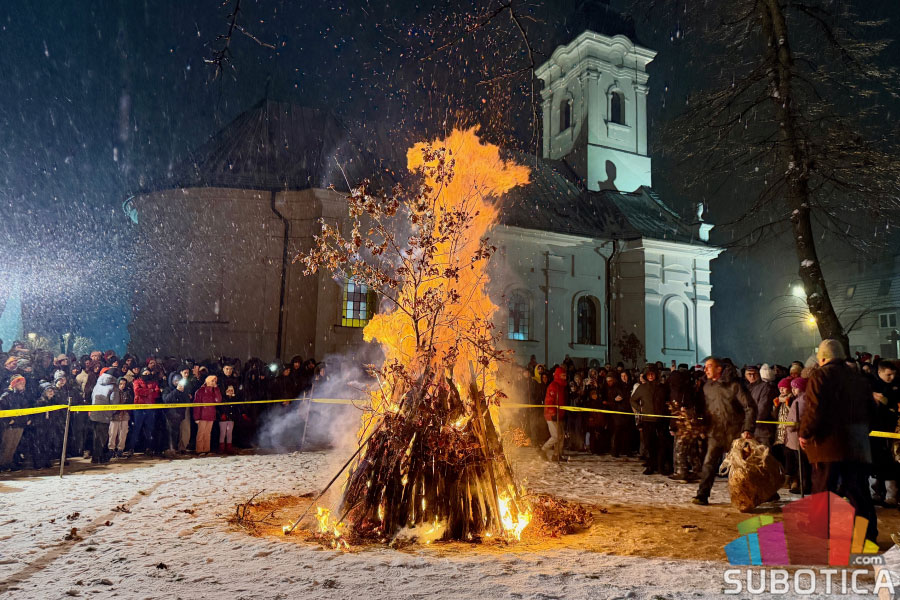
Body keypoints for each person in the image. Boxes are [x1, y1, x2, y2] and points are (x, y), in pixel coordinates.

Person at [799, 339, 877, 541]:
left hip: (827, 445)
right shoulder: (858, 378)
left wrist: (804, 433)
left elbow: (814, 409)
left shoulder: (820, 376)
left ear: (822, 358)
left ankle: (819, 529)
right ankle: (867, 534)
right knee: (858, 492)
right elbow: (872, 411)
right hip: (857, 445)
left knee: (824, 489)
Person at [692, 357, 757, 505]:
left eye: (709, 366)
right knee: (709, 463)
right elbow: (705, 409)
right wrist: (699, 424)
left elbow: (750, 407)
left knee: (743, 467)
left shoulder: (734, 385)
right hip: (715, 433)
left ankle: (763, 494)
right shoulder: (706, 387)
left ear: (719, 369)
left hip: (735, 433)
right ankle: (702, 494)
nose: (705, 369)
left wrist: (748, 428)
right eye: (705, 367)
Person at [630, 367, 671, 475]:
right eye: (648, 374)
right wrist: (640, 409)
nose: (651, 376)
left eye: (652, 374)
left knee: (662, 444)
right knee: (649, 444)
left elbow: (669, 400)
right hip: (648, 420)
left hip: (661, 420)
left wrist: (667, 409)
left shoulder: (662, 387)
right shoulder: (642, 388)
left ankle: (661, 466)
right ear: (645, 376)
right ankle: (651, 466)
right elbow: (632, 400)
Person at [89, 368, 119, 464]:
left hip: (94, 414)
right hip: (105, 416)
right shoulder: (113, 387)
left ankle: (95, 456)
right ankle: (100, 457)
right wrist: (110, 413)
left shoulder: (97, 384)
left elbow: (92, 397)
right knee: (103, 437)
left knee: (96, 437)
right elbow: (114, 402)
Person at [0, 375, 30, 470]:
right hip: (10, 425)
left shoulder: (22, 395)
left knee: (13, 445)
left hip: (19, 424)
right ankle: (2, 464)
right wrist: (9, 420)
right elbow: (2, 409)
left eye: (23, 383)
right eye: (20, 383)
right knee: (7, 445)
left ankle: (8, 462)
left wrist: (26, 419)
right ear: (14, 384)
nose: (22, 385)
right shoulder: (6, 395)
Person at [129, 368, 160, 455]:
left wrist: (147, 392)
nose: (147, 375)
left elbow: (157, 393)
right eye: (145, 373)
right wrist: (150, 391)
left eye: (148, 373)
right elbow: (137, 391)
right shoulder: (136, 382)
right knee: (136, 428)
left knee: (149, 429)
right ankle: (131, 448)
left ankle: (149, 448)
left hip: (150, 408)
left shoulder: (154, 383)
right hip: (139, 408)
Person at [746, 365, 777, 447]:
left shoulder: (766, 387)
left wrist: (749, 422)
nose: (752, 376)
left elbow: (762, 409)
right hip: (751, 430)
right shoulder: (747, 388)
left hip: (763, 431)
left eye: (754, 374)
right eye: (749, 374)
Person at [541, 367, 567, 461]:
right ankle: (543, 450)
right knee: (556, 436)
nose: (565, 377)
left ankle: (557, 455)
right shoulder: (553, 386)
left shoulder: (562, 386)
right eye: (563, 375)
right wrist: (552, 413)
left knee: (561, 436)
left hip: (559, 415)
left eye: (565, 375)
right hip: (551, 415)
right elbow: (549, 401)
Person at [193, 375, 221, 454]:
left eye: (215, 381)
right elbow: (196, 405)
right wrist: (196, 417)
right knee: (201, 433)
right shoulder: (200, 391)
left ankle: (206, 450)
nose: (214, 383)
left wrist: (216, 389)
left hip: (211, 415)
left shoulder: (214, 390)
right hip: (202, 416)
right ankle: (199, 450)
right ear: (208, 381)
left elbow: (218, 401)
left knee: (208, 433)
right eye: (212, 381)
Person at [108, 377, 132, 458]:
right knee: (113, 433)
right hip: (115, 415)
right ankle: (111, 449)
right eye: (121, 384)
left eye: (124, 384)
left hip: (125, 414)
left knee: (123, 433)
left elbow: (130, 402)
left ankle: (120, 450)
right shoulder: (113, 391)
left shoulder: (127, 392)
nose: (122, 386)